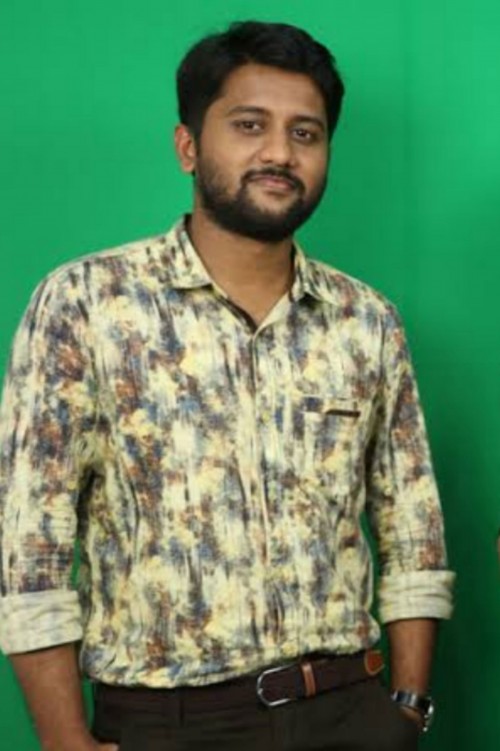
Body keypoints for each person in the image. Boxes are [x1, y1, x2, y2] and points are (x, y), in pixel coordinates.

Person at [0, 20, 454, 751]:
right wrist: (62, 738)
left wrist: (405, 708)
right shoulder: (88, 303)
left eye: (305, 133)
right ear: (188, 145)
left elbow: (414, 530)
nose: (279, 152)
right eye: (249, 125)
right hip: (169, 722)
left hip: (349, 709)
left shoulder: (366, 321)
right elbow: (29, 547)